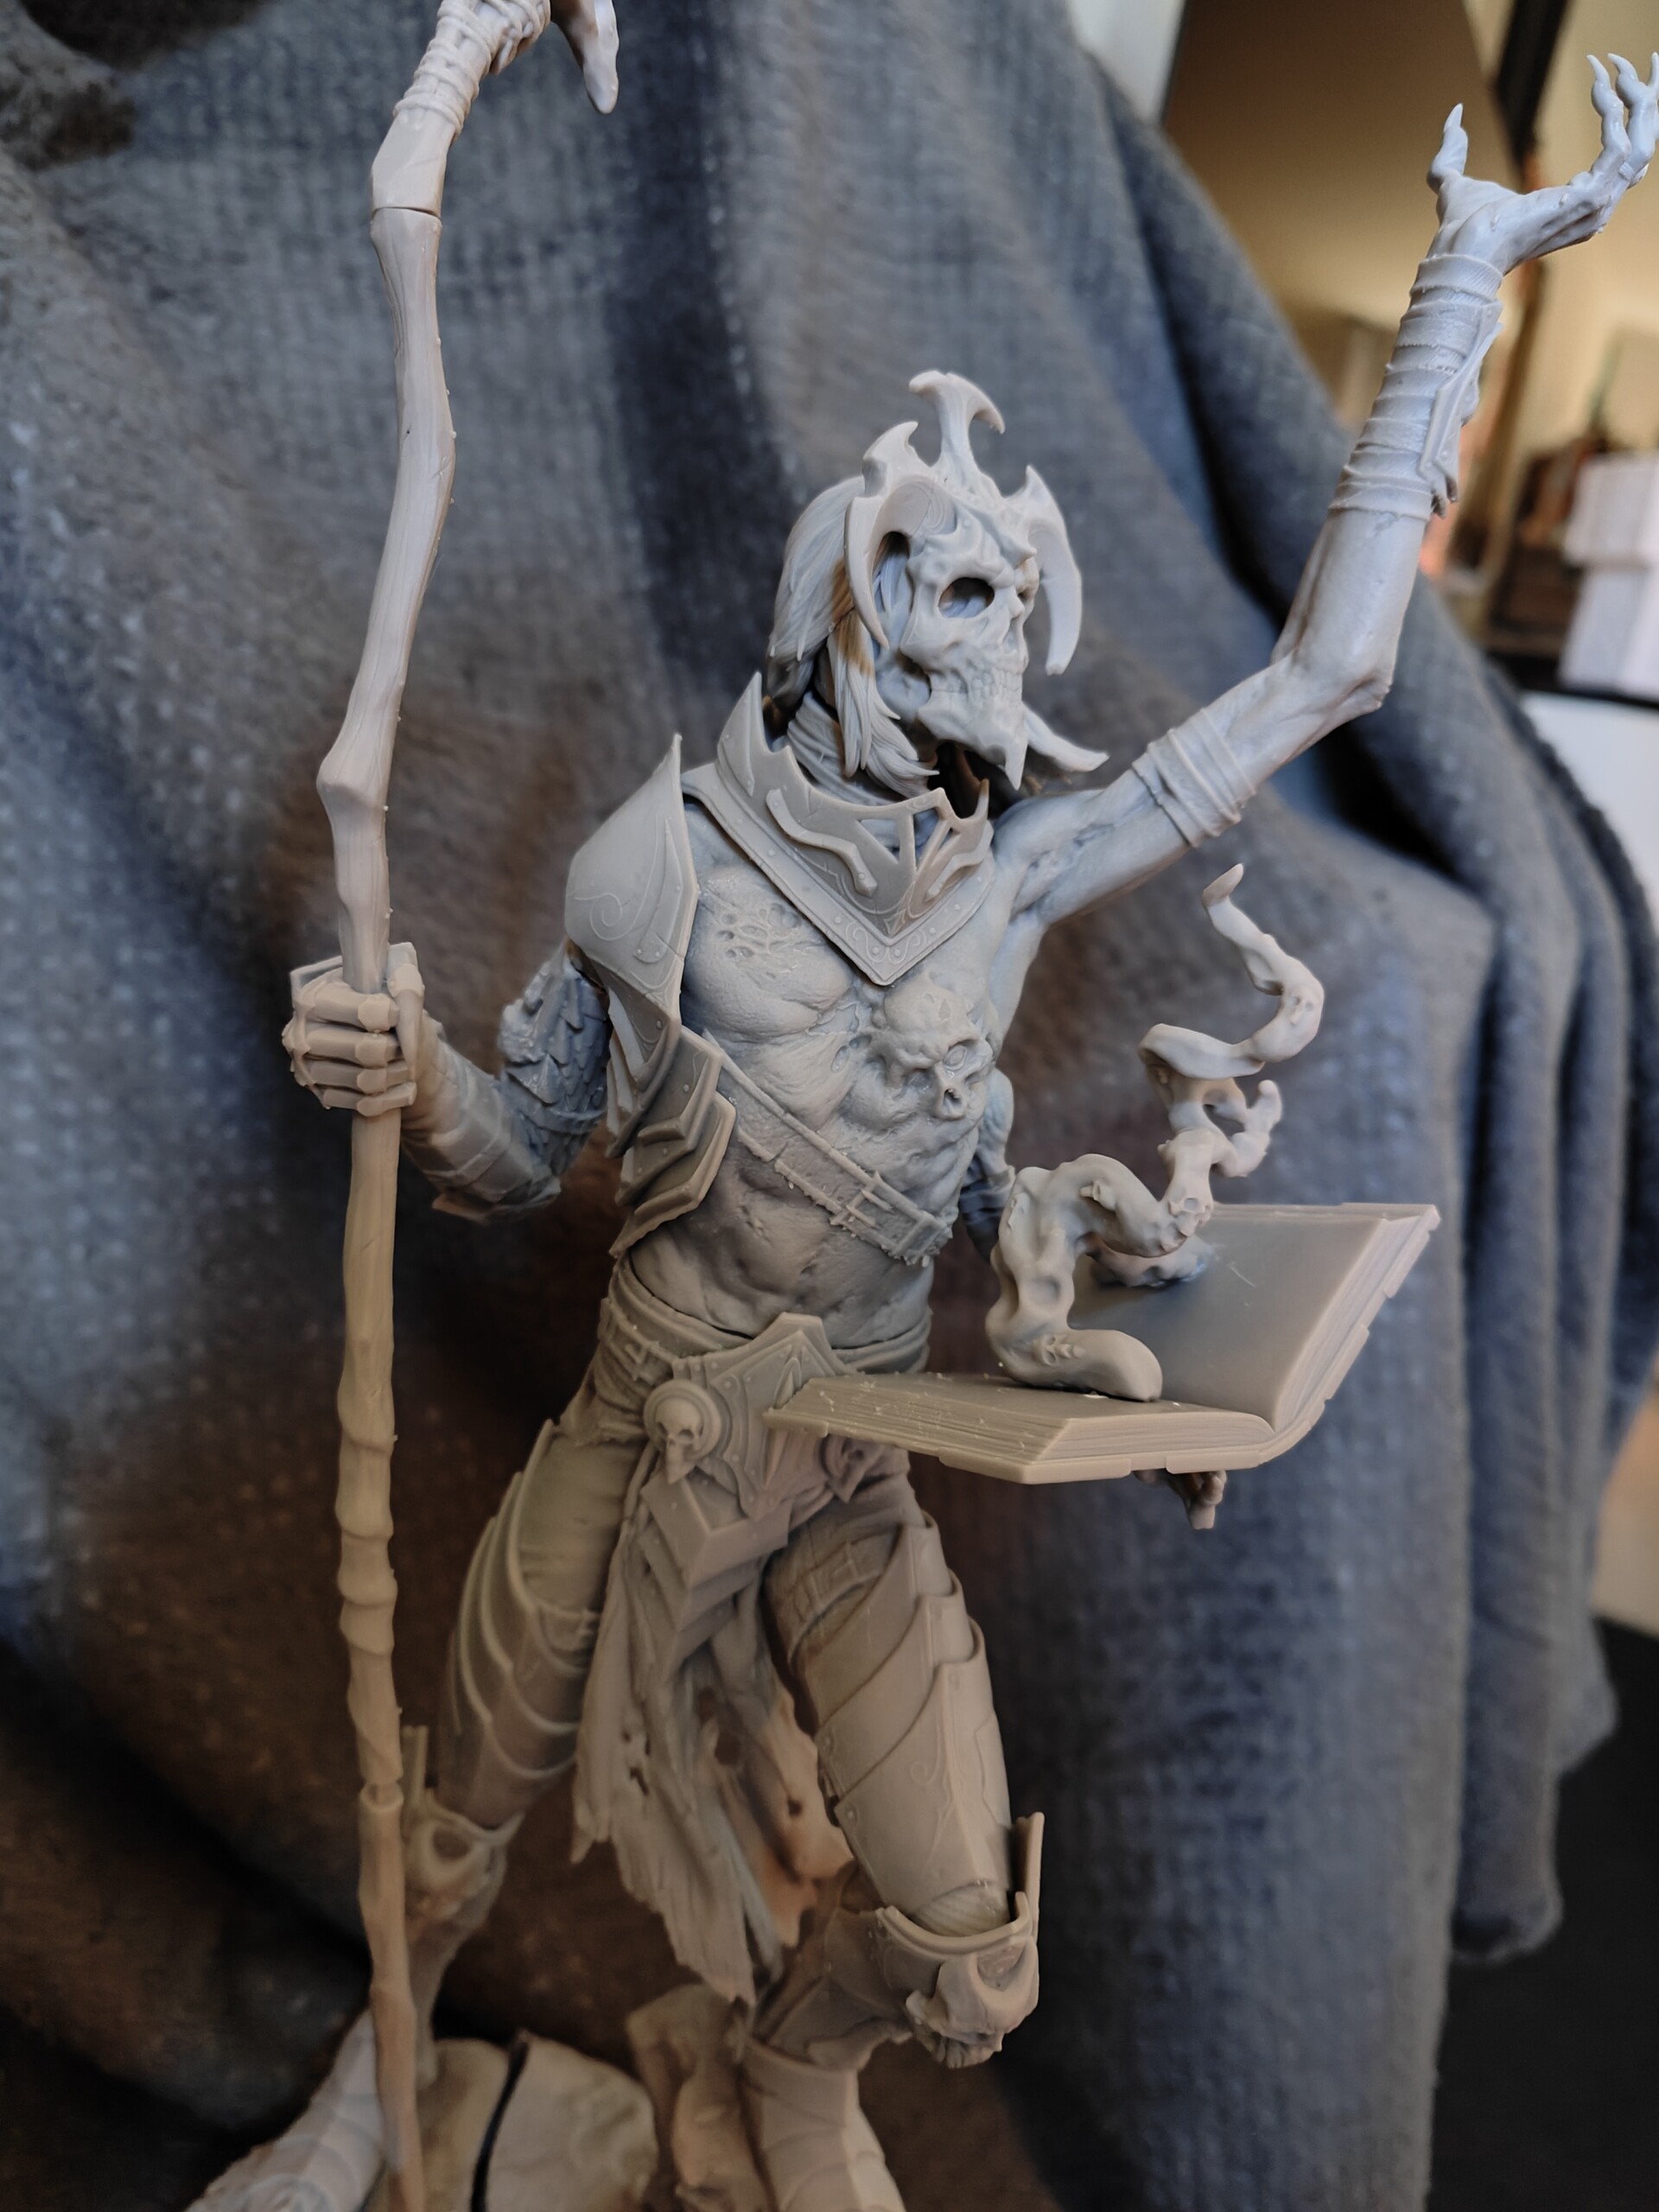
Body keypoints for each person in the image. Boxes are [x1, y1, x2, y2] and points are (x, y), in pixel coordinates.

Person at [284, 65, 1655, 2210]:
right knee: (454, 1807)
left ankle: (785, 2070)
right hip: (648, 1426)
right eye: (953, 590)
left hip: (847, 1459)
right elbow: (511, 1148)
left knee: (961, 1943)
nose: (995, 632)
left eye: (1013, 599)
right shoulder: (659, 867)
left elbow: (1325, 678)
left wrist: (1463, 292)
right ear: (843, 606)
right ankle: (367, 2095)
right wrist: (412, 1074)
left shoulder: (1005, 884)